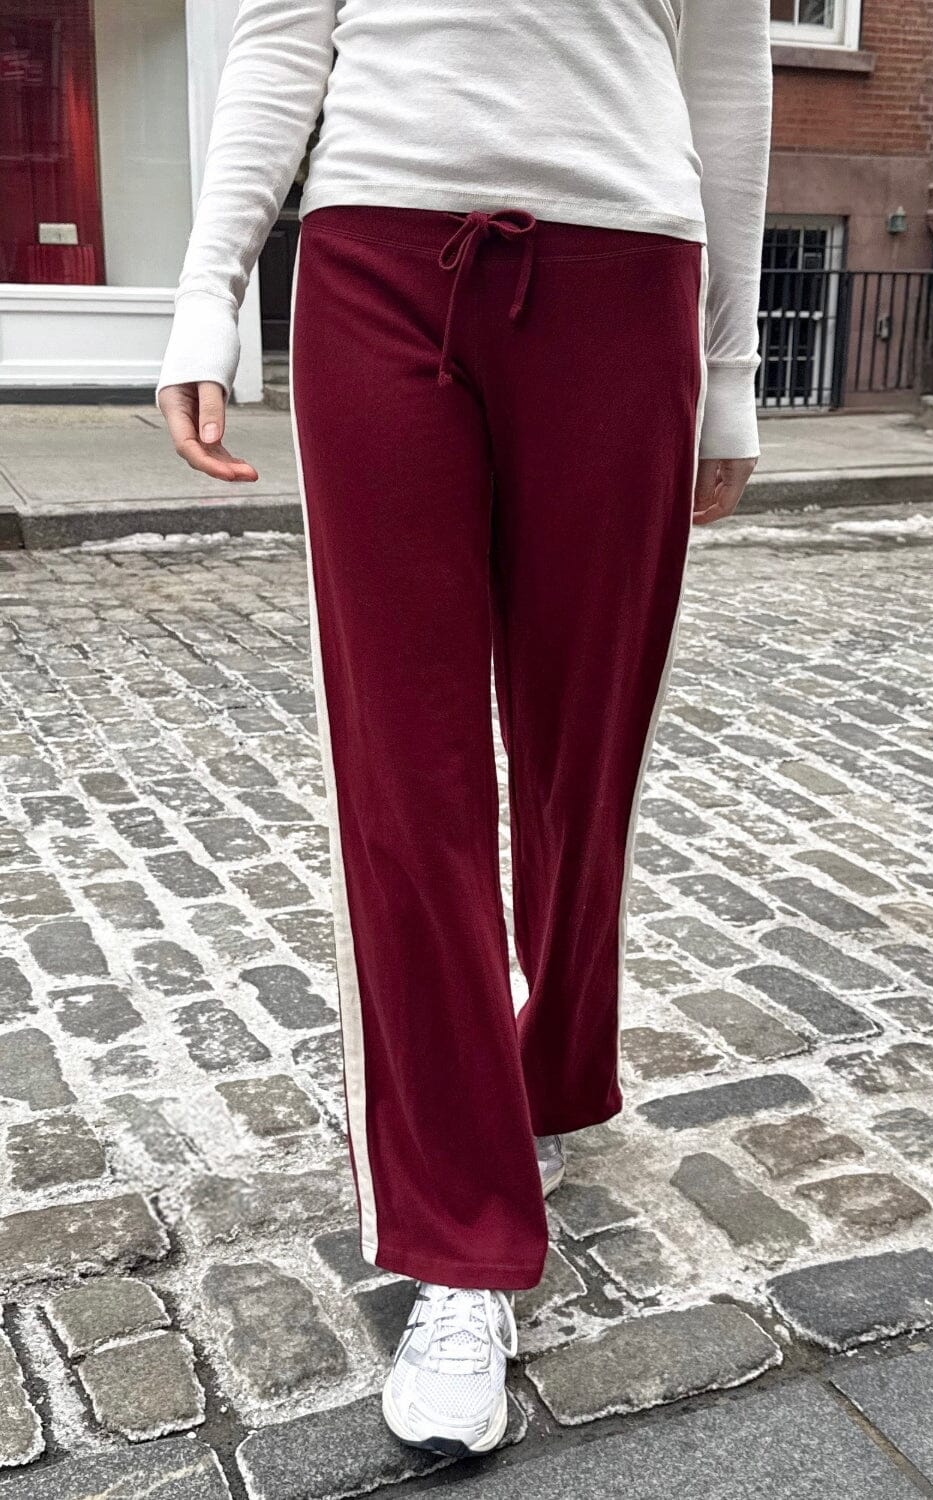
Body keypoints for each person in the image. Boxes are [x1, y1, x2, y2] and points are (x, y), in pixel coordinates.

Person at [156, 0, 772, 1459]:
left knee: (582, 747)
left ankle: (549, 1064)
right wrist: (207, 289)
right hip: (377, 258)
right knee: (403, 774)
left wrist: (733, 368)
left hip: (627, 268)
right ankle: (462, 1239)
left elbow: (729, 68)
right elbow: (280, 34)